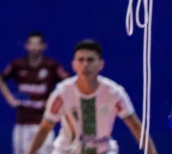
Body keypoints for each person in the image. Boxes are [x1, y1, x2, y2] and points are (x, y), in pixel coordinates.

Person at [27, 40, 157, 154]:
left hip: (103, 150)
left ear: (101, 64)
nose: (85, 65)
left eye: (90, 60)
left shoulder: (114, 93)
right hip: (66, 150)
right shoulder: (62, 92)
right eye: (81, 60)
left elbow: (135, 126)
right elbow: (45, 128)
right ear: (74, 64)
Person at [0, 32, 68, 154]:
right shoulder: (18, 65)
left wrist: (55, 103)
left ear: (44, 46)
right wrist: (10, 99)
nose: (34, 47)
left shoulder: (52, 66)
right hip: (22, 122)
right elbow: (0, 79)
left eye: (37, 44)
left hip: (44, 122)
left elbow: (69, 83)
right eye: (31, 44)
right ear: (26, 46)